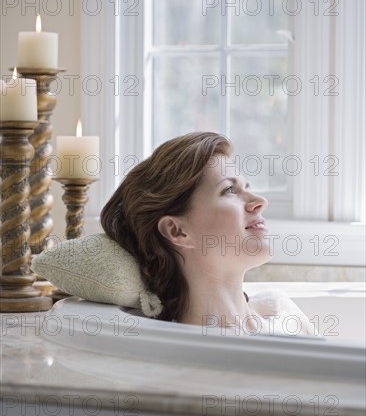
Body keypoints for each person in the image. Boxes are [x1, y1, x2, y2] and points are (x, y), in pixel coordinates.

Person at [101, 132, 314, 337]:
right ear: (178, 231)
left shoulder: (278, 309)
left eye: (247, 187)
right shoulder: (186, 351)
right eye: (230, 190)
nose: (260, 201)